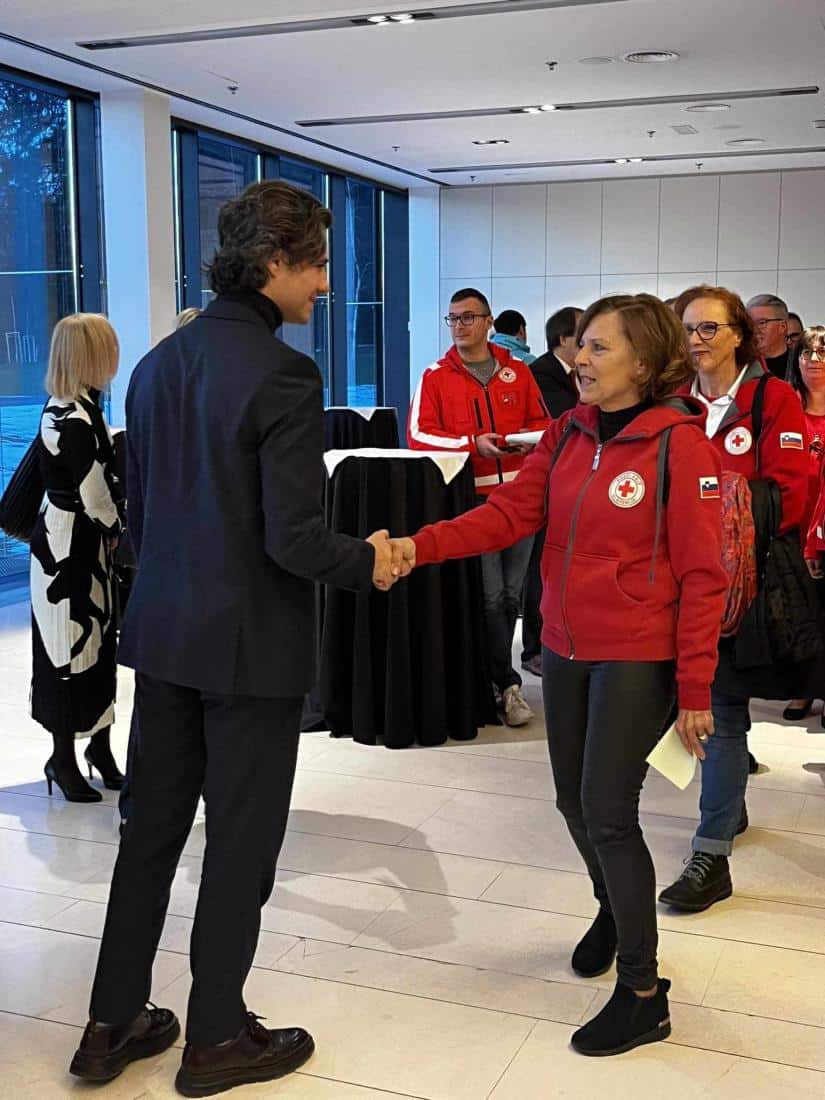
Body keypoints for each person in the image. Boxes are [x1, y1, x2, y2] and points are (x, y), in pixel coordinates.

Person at [69, 180, 409, 1094]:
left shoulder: (156, 365)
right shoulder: (284, 374)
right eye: (318, 265)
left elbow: (144, 517)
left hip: (164, 634)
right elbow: (292, 539)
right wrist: (369, 559)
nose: (326, 285)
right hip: (250, 648)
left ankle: (110, 1024)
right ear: (274, 262)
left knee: (149, 834)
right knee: (239, 844)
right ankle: (216, 1035)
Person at [395, 293, 727, 1056]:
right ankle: (614, 908)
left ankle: (642, 993)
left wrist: (695, 689)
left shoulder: (680, 445)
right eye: (580, 344)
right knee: (571, 802)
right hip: (564, 649)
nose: (579, 359)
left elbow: (703, 575)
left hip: (636, 653)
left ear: (644, 362)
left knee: (608, 812)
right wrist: (418, 546)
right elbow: (508, 515)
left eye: (599, 348)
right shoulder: (567, 432)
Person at [659, 285, 808, 912]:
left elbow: (793, 493)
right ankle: (729, 808)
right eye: (686, 329)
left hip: (746, 582)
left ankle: (711, 852)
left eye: (709, 328)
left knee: (720, 709)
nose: (696, 340)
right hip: (679, 581)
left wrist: (716, 510)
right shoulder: (673, 402)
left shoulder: (772, 398)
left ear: (740, 335)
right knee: (711, 708)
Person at [408, 288, 550, 726]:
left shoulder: (517, 372)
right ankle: (505, 683)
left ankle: (499, 681)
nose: (459, 326)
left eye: (468, 317)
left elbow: (543, 423)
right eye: (453, 319)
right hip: (475, 501)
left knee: (511, 596)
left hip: (522, 498)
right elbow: (418, 435)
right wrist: (472, 445)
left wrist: (526, 441)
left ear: (489, 322)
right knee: (490, 597)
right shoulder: (436, 376)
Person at [30, 313, 125, 803]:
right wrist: (119, 531)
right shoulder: (72, 417)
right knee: (68, 651)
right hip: (68, 548)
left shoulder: (78, 408)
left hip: (74, 540)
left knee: (97, 643)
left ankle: (98, 748)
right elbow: (94, 493)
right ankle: (63, 758)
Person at [520, 306, 582, 676]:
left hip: (570, 484)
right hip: (546, 482)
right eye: (583, 337)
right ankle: (534, 648)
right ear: (563, 339)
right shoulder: (543, 375)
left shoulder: (574, 375)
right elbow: (562, 424)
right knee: (537, 571)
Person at [789, 326, 825, 722]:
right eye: (805, 352)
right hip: (792, 527)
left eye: (822, 353)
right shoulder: (786, 409)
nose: (813, 359)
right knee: (799, 611)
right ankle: (802, 689)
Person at [747, 293, 792, 379]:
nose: (754, 330)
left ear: (782, 327)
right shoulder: (740, 366)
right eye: (750, 323)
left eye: (762, 323)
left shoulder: (800, 365)